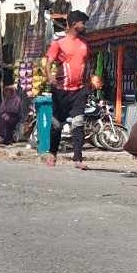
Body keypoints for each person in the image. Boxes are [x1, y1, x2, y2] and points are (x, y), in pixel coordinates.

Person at [42, 9, 92, 169]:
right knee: (56, 124)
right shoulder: (59, 43)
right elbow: (48, 63)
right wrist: (50, 77)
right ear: (72, 24)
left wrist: (90, 80)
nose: (84, 25)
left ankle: (78, 158)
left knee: (78, 123)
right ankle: (52, 153)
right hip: (61, 91)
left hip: (79, 90)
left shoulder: (84, 44)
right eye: (81, 22)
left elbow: (87, 64)